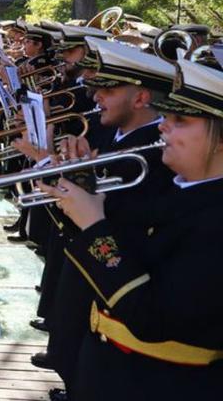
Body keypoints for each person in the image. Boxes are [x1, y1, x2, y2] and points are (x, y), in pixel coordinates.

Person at [36, 55, 223, 401]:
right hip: (110, 371)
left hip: (162, 384)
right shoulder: (179, 192)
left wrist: (93, 223)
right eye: (166, 115)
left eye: (179, 119)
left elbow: (151, 318)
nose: (163, 125)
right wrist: (81, 191)